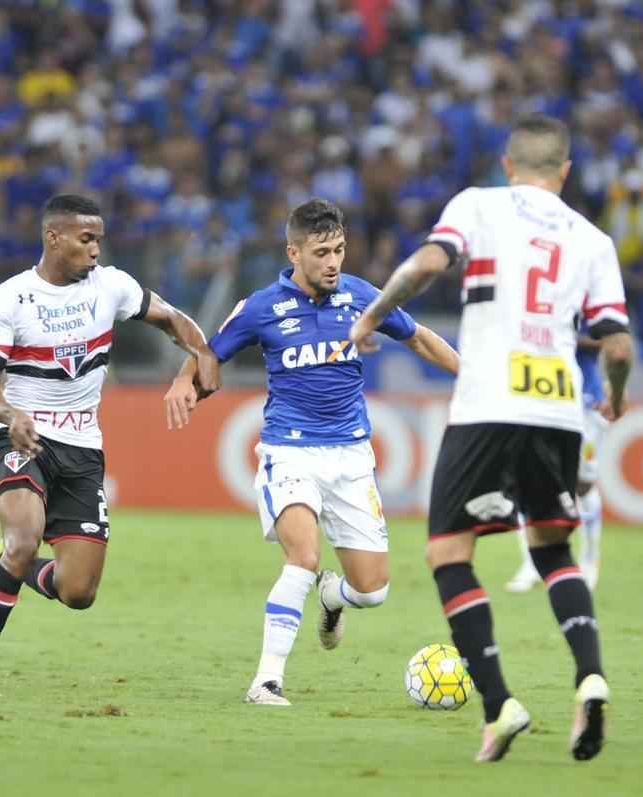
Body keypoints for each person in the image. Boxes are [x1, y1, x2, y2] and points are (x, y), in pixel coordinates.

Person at [351, 114, 633, 763]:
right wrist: (614, 397)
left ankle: (499, 703)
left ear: (508, 166)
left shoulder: (477, 205)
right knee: (553, 546)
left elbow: (426, 263)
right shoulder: (593, 239)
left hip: (488, 400)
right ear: (564, 172)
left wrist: (372, 314)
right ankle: (589, 675)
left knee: (449, 551)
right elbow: (616, 342)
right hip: (558, 405)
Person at [165, 198, 459, 706]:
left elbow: (420, 339)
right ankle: (266, 680)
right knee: (302, 556)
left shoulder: (362, 297)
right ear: (293, 253)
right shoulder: (262, 307)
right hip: (290, 451)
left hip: (351, 459)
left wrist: (472, 378)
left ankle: (332, 596)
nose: (333, 262)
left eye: (339, 250)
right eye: (321, 252)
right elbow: (210, 352)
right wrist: (181, 381)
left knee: (372, 590)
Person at [0, 193, 220, 698]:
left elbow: (171, 318)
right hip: (22, 442)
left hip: (82, 451)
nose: (96, 248)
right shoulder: (9, 298)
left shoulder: (112, 286)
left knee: (78, 592)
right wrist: (11, 415)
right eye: (85, 238)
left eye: (98, 238)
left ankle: (3, 563)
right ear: (54, 238)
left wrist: (201, 351)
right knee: (25, 537)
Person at [506, 326, 608, 593]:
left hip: (584, 400)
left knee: (583, 484)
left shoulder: (582, 291)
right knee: (525, 480)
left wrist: (557, 334)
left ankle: (589, 562)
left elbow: (608, 338)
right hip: (536, 395)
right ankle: (531, 565)